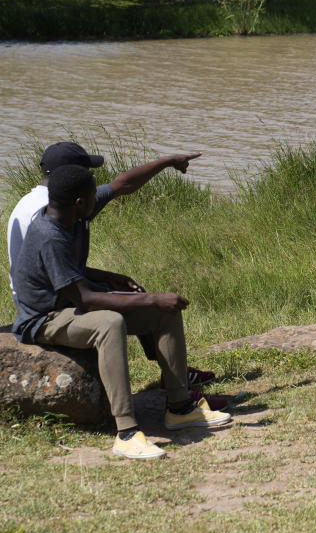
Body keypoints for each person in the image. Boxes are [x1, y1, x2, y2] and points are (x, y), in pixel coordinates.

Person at [12, 165, 230, 458]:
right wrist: (151, 299)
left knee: (164, 313)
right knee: (110, 322)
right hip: (43, 320)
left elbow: (65, 271)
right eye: (92, 195)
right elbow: (87, 299)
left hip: (66, 306)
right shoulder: (48, 234)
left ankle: (179, 408)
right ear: (79, 203)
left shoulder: (64, 215)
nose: (96, 199)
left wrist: (109, 277)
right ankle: (126, 433)